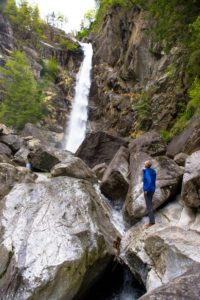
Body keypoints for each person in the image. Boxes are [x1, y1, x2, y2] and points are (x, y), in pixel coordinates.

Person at [143, 160, 156, 227]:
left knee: (149, 206)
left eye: (145, 163)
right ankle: (152, 220)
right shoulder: (153, 171)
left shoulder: (147, 172)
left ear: (147, 165)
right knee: (150, 204)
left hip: (148, 190)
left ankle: (152, 222)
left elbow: (148, 180)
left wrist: (146, 190)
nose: (144, 164)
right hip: (152, 189)